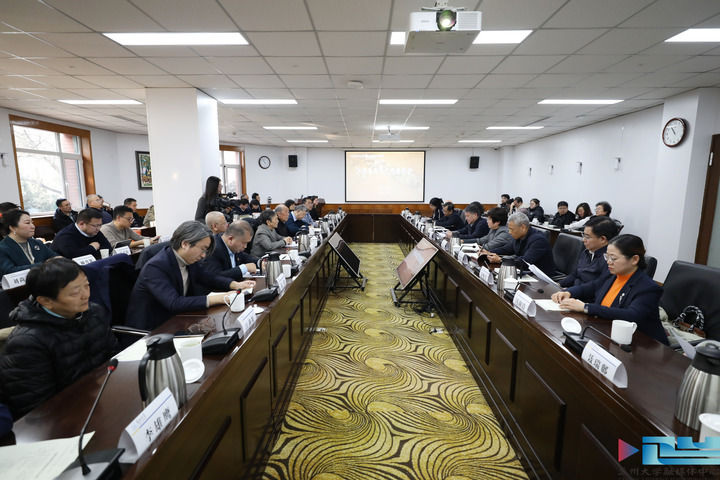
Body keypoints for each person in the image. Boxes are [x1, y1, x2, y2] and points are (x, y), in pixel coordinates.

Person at [0, 258, 119, 418]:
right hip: (65, 416)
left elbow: (113, 357)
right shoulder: (26, 343)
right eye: (75, 292)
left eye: (87, 285)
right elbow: (37, 409)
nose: (86, 295)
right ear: (46, 301)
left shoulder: (93, 312)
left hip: (100, 396)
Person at [125, 221, 254, 331]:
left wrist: (235, 285)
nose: (203, 255)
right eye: (203, 249)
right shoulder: (155, 267)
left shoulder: (187, 260)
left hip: (178, 320)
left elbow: (208, 277)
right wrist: (223, 298)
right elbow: (174, 303)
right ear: (185, 244)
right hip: (152, 330)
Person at [552, 234, 668, 345]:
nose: (608, 262)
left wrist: (586, 307)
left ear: (634, 259)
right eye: (606, 256)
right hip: (605, 331)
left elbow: (631, 315)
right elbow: (592, 286)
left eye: (613, 258)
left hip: (642, 344)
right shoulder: (612, 274)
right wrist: (568, 292)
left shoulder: (648, 288)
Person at [485, 212, 557, 276]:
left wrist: (500, 260)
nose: (509, 232)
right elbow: (506, 249)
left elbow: (525, 262)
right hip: (526, 272)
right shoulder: (519, 236)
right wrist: (489, 252)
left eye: (511, 229)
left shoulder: (539, 240)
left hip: (542, 277)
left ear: (523, 227)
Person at [559, 217, 618, 293]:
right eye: (583, 235)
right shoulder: (587, 251)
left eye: (587, 237)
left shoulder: (610, 260)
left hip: (583, 296)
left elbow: (597, 287)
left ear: (602, 239)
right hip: (572, 291)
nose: (583, 240)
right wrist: (559, 284)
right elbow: (576, 273)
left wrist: (570, 292)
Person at [0, 209, 57, 276]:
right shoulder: (2, 248)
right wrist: (43, 265)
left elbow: (55, 257)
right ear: (13, 228)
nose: (33, 226)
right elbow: (9, 271)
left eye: (32, 223)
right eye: (27, 223)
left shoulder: (37, 243)